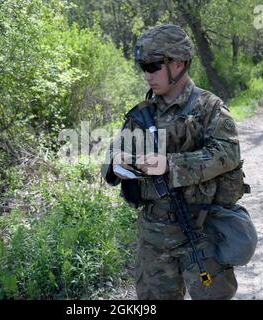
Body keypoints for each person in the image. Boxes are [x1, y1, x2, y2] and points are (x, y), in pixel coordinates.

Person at [101, 24, 248, 300]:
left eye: (153, 65)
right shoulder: (141, 115)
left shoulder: (209, 107)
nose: (147, 75)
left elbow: (228, 154)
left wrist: (171, 165)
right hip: (154, 239)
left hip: (200, 230)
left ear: (178, 64)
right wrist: (118, 163)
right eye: (143, 67)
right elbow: (111, 159)